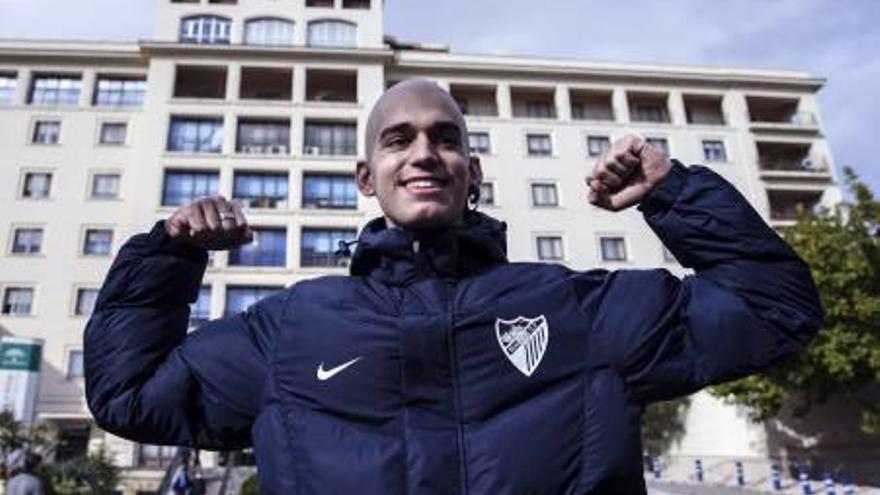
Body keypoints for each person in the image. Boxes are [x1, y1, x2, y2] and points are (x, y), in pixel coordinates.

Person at [84, 78, 824, 494]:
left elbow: (774, 303)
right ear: (367, 178)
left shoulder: (572, 309)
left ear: (473, 172)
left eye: (445, 137)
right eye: (399, 138)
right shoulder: (292, 329)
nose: (425, 152)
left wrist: (673, 192)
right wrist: (166, 260)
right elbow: (130, 391)